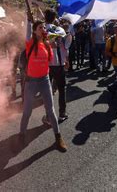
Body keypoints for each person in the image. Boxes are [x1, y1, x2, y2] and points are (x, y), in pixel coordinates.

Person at [19, 20, 67, 152]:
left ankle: (58, 138)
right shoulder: (30, 43)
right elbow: (28, 33)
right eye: (40, 27)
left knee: (50, 110)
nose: (43, 29)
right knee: (27, 111)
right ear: (34, 31)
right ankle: (21, 135)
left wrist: (54, 47)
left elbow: (50, 60)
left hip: (45, 80)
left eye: (44, 27)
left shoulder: (47, 44)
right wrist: (29, 21)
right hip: (31, 82)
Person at [44, 9, 70, 122]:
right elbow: (66, 46)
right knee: (61, 89)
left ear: (44, 17)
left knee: (47, 92)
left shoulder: (41, 29)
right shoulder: (60, 30)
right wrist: (66, 60)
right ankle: (62, 113)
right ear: (55, 18)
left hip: (45, 64)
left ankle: (49, 116)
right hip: (59, 63)